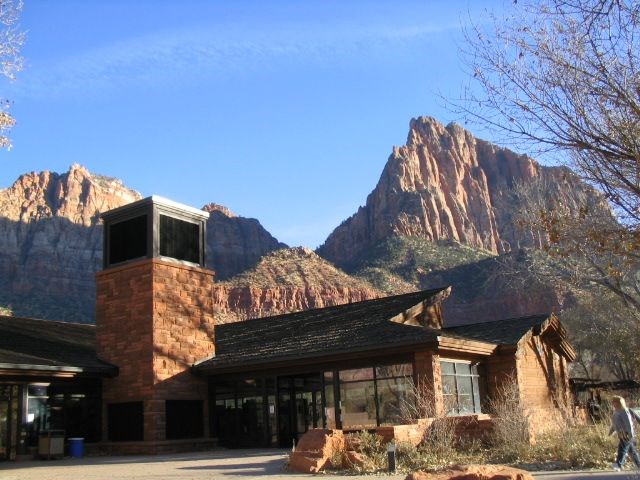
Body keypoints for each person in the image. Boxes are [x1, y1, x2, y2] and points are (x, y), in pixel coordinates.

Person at [609, 395, 640, 471]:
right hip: (621, 434)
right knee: (631, 451)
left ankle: (618, 465)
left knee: (622, 449)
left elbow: (628, 423)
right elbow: (614, 423)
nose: (612, 403)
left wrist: (630, 434)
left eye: (614, 401)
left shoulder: (624, 411)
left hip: (626, 434)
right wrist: (611, 431)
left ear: (619, 402)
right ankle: (639, 465)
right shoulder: (616, 412)